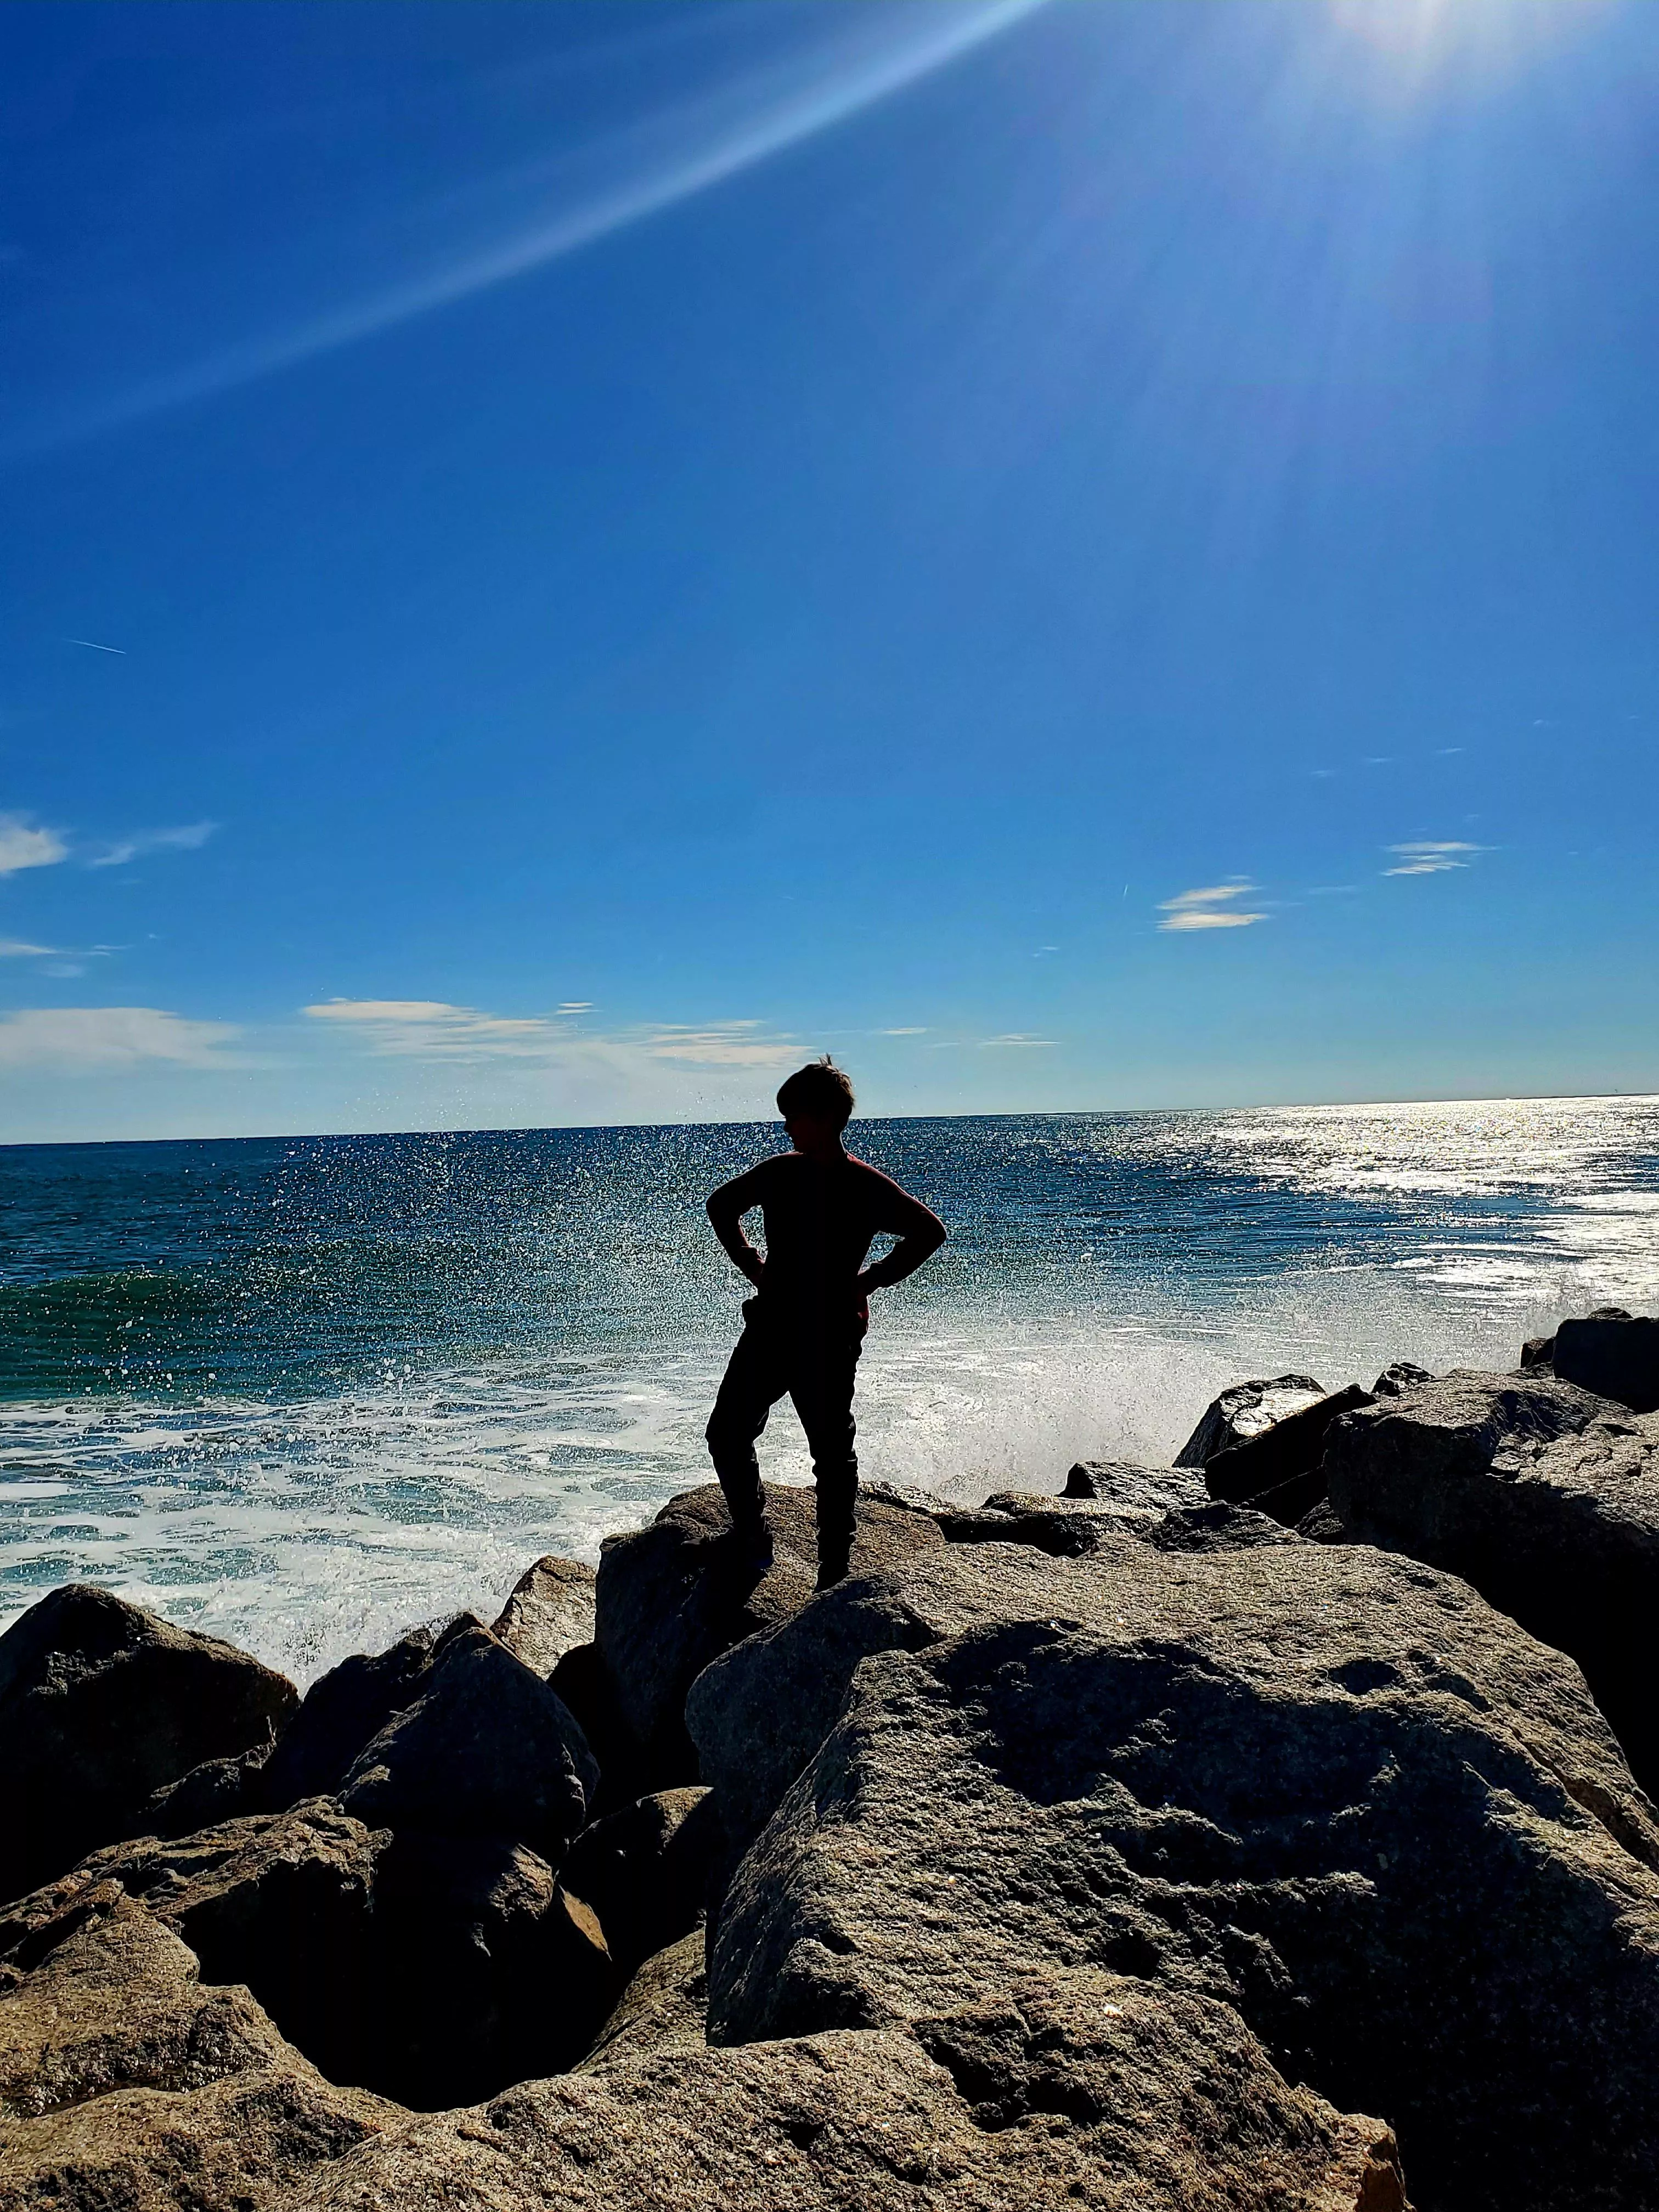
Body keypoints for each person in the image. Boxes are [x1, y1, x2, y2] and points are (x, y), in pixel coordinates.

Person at [704, 1057, 947, 1590]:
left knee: (825, 1452)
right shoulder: (804, 1174)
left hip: (821, 1334)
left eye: (792, 1117)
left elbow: (930, 1231)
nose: (786, 1127)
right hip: (786, 1326)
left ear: (822, 1118)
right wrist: (758, 1267)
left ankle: (829, 1568)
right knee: (737, 1435)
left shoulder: (834, 1179)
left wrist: (872, 1278)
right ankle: (759, 1535)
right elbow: (720, 1205)